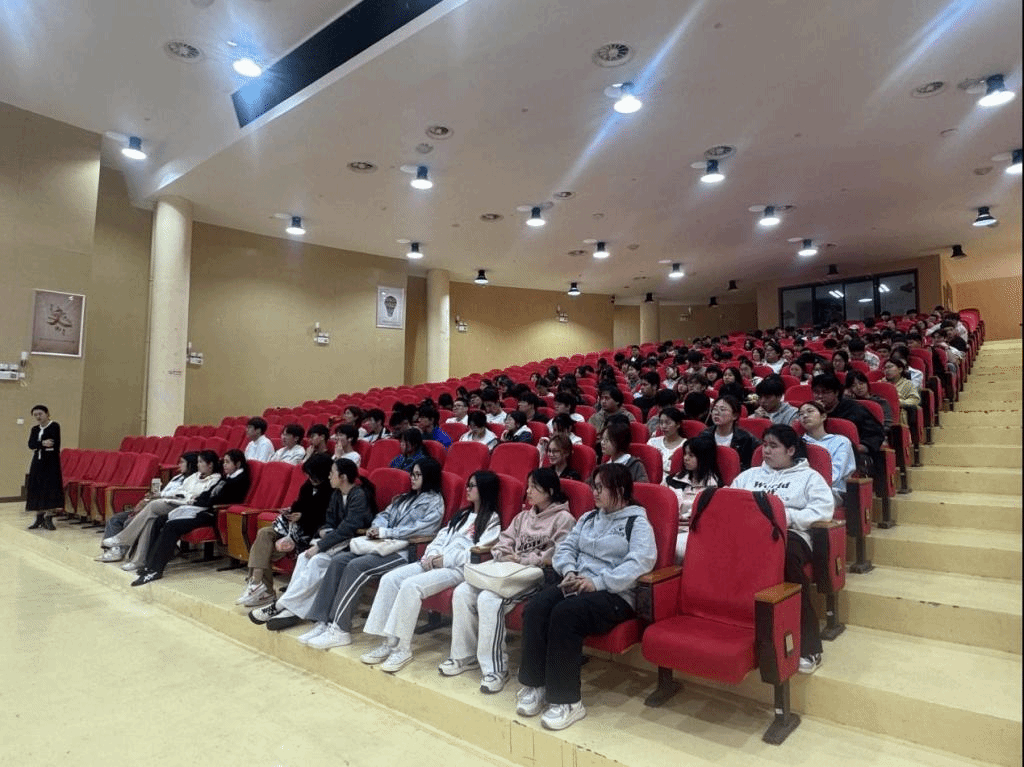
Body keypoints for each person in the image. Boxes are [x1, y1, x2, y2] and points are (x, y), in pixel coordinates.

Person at [515, 463, 656, 731]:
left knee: (565, 614)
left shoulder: (636, 522)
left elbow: (640, 562)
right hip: (578, 583)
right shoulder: (589, 518)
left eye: (601, 487)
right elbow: (566, 548)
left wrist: (598, 582)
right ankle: (536, 685)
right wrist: (569, 570)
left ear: (620, 489)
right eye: (594, 486)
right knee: (537, 607)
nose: (595, 492)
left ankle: (568, 701)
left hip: (615, 594)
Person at [283, 457, 445, 649]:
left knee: (356, 566)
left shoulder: (435, 502)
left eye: (418, 475)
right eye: (412, 474)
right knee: (339, 561)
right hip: (381, 544)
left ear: (429, 477)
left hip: (404, 550)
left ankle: (340, 629)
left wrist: (386, 532)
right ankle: (323, 621)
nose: (413, 478)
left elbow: (422, 529)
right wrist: (376, 527)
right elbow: (383, 515)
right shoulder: (403, 498)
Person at [443, 468, 575, 693]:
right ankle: (464, 656)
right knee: (463, 591)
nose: (528, 491)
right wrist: (503, 553)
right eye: (528, 486)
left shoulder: (564, 519)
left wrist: (524, 559)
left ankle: (496, 669)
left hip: (535, 576)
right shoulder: (523, 516)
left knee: (489, 599)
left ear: (550, 491)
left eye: (534, 487)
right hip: (507, 570)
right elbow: (504, 541)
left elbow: (559, 554)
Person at [359, 471, 502, 673]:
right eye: (468, 484)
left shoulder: (491, 520)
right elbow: (440, 537)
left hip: (457, 569)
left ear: (485, 490)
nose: (467, 489)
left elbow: (480, 551)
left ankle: (402, 649)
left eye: (473, 485)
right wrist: (431, 555)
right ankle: (388, 642)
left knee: (411, 586)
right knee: (390, 579)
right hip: (434, 561)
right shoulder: (461, 515)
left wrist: (445, 560)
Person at [731, 425, 834, 674]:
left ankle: (809, 645)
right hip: (750, 534)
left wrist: (784, 517)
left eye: (773, 446)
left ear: (790, 450)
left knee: (784, 558)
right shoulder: (749, 476)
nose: (766, 450)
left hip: (792, 534)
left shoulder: (810, 477)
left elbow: (822, 511)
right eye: (764, 445)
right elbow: (729, 500)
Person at [249, 458, 375, 627]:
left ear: (343, 477)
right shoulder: (337, 494)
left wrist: (320, 545)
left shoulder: (358, 495)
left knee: (316, 561)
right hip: (337, 541)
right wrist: (324, 530)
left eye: (332, 473)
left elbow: (348, 528)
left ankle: (280, 606)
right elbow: (329, 521)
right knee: (304, 557)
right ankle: (290, 609)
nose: (329, 476)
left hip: (353, 544)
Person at [131, 450, 252, 586]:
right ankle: (149, 564)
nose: (224, 465)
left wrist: (201, 501)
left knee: (172, 526)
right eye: (224, 461)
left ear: (238, 464)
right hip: (202, 509)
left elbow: (219, 499)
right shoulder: (227, 478)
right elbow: (208, 493)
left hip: (212, 514)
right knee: (160, 520)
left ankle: (156, 569)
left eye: (228, 462)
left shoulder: (239, 480)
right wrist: (200, 500)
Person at [234, 453, 333, 607]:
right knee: (264, 534)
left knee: (263, 549)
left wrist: (302, 517)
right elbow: (299, 505)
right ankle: (257, 583)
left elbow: (325, 517)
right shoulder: (308, 485)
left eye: (312, 475)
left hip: (310, 532)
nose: (309, 478)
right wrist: (290, 512)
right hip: (293, 528)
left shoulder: (332, 490)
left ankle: (263, 590)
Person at [110, 449, 222, 571]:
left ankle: (123, 539)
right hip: (177, 502)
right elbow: (181, 491)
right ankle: (139, 560)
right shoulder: (193, 477)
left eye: (201, 462)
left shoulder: (215, 479)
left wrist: (184, 495)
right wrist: (180, 495)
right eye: (198, 462)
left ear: (210, 465)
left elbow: (198, 497)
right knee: (149, 521)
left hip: (189, 508)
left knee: (153, 506)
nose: (198, 464)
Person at [97, 452, 198, 563]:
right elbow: (162, 493)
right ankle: (115, 550)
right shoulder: (177, 478)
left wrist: (151, 501)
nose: (179, 465)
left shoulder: (192, 480)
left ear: (191, 464)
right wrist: (146, 499)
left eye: (182, 462)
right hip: (153, 504)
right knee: (116, 519)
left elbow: (176, 497)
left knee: (129, 521)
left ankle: (120, 549)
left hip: (167, 508)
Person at [663, 434, 720, 564]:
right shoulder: (671, 480)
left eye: (691, 455)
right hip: (668, 527)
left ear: (704, 458)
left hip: (694, 532)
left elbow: (713, 520)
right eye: (685, 454)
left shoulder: (716, 488)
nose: (685, 458)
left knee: (676, 547)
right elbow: (659, 505)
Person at [811, 374, 885, 466]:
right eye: (816, 392)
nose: (820, 396)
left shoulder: (854, 410)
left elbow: (876, 433)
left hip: (853, 455)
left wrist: (858, 448)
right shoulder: (811, 411)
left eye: (825, 392)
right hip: (821, 454)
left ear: (836, 393)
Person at [798, 401, 857, 504]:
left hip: (832, 490)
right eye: (801, 414)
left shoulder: (840, 442)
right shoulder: (797, 443)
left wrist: (810, 486)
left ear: (823, 416)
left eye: (810, 411)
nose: (805, 416)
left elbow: (835, 475)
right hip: (801, 489)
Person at [25, 405, 63, 530]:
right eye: (35, 415)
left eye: (40, 414)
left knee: (50, 488)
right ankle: (39, 517)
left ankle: (49, 518)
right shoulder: (35, 429)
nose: (38, 417)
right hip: (38, 461)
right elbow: (31, 444)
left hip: (51, 462)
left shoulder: (54, 426)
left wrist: (40, 445)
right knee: (37, 487)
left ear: (47, 413)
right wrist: (42, 443)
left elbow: (53, 444)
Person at [701, 395, 759, 470]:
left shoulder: (745, 438)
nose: (716, 413)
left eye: (722, 409)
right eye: (715, 409)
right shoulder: (705, 434)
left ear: (735, 416)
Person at [647, 407, 686, 477]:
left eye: (668, 423)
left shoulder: (685, 445)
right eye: (661, 423)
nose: (663, 426)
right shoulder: (652, 442)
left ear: (678, 424)